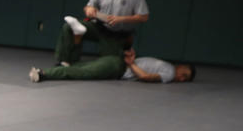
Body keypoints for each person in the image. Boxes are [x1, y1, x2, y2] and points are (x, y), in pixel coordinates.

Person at [54, 0, 149, 66]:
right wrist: (89, 10)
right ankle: (65, 62)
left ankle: (94, 63)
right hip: (99, 27)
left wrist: (121, 19)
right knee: (69, 27)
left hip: (117, 34)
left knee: (110, 64)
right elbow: (88, 7)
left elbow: (144, 17)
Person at [29, 48, 195, 83]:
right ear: (180, 68)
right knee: (84, 73)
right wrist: (131, 63)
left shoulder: (164, 64)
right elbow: (144, 76)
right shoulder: (170, 73)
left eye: (184, 79)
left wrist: (130, 60)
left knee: (83, 67)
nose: (181, 78)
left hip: (116, 61)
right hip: (118, 68)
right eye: (184, 74)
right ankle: (44, 73)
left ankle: (64, 65)